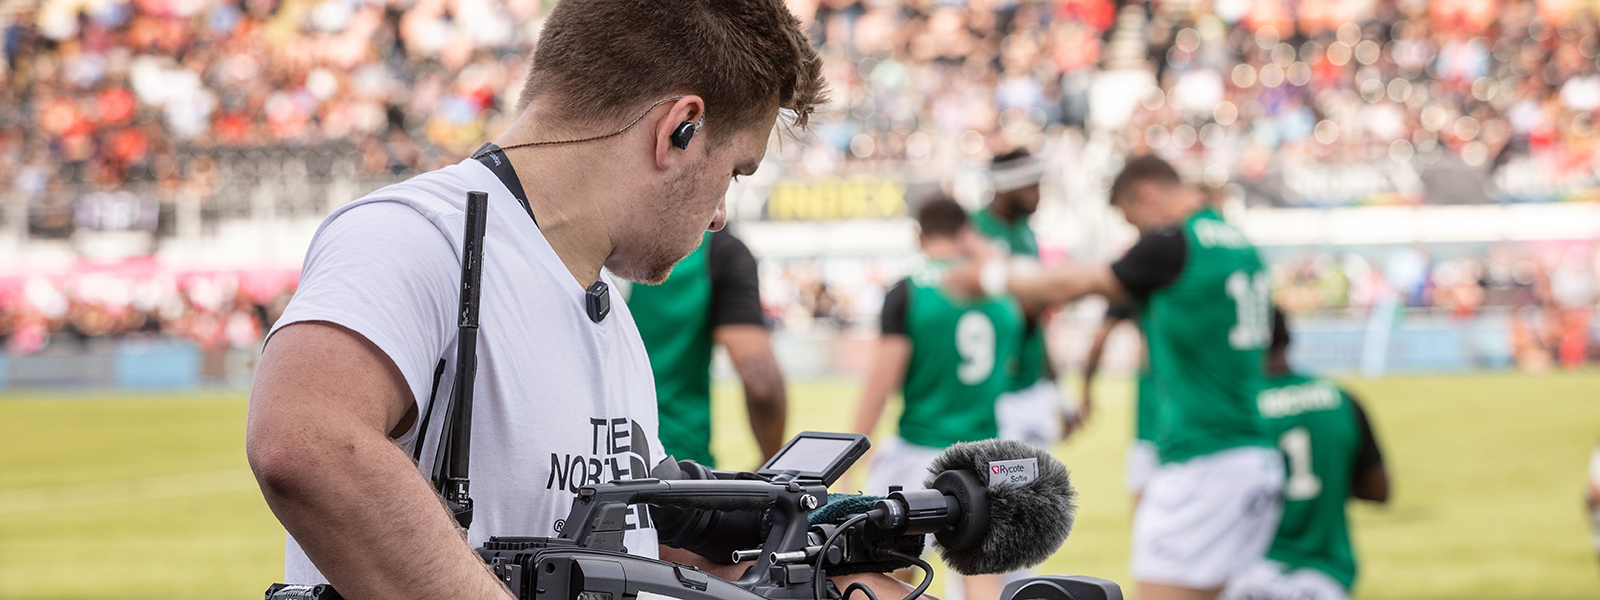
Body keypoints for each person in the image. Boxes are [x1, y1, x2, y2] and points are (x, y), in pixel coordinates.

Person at [243, 2, 915, 598]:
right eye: (734, 171)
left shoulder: (608, 308)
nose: (719, 215)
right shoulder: (418, 231)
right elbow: (305, 441)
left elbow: (624, 544)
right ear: (679, 129)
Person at [956, 155, 1283, 600]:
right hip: (1255, 455)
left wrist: (990, 274)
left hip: (1202, 461)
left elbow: (1072, 285)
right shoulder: (1240, 243)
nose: (1137, 235)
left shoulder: (1173, 243)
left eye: (1135, 222)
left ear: (1147, 195)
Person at [850, 196, 1025, 600]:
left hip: (918, 449)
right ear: (965, 232)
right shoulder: (999, 293)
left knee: (889, 579)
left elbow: (882, 382)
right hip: (986, 454)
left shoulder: (910, 289)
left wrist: (853, 456)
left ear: (919, 234)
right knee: (983, 579)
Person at [1223, 309, 1389, 600]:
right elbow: (1378, 489)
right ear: (1287, 336)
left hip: (1248, 577)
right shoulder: (1340, 399)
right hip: (1325, 580)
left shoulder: (1235, 409)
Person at [626, 228, 788, 468]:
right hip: (676, 468)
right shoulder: (713, 250)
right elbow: (762, 384)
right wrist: (770, 464)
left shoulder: (583, 238)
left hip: (582, 462)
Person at [974, 149, 1072, 448]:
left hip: (1032, 385)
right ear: (1006, 186)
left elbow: (1037, 322)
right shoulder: (974, 232)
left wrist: (1060, 394)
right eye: (1031, 186)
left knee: (1043, 493)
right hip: (993, 392)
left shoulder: (1026, 233)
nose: (1038, 195)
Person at [1081, 300, 1159, 502]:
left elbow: (1099, 339)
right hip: (1206, 425)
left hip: (1151, 421)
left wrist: (1086, 389)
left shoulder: (1147, 281)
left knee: (1144, 509)